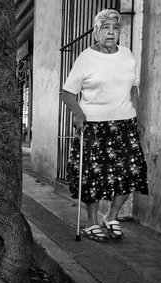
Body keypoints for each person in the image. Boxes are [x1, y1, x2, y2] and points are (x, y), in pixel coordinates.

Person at [60, 9, 148, 242]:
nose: (111, 32)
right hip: (95, 126)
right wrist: (78, 114)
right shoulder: (86, 58)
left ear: (120, 32)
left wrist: (136, 116)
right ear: (96, 32)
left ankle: (111, 217)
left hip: (125, 124)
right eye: (105, 28)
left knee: (131, 172)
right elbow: (68, 93)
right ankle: (91, 223)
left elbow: (133, 88)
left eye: (115, 28)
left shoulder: (127, 55)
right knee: (93, 177)